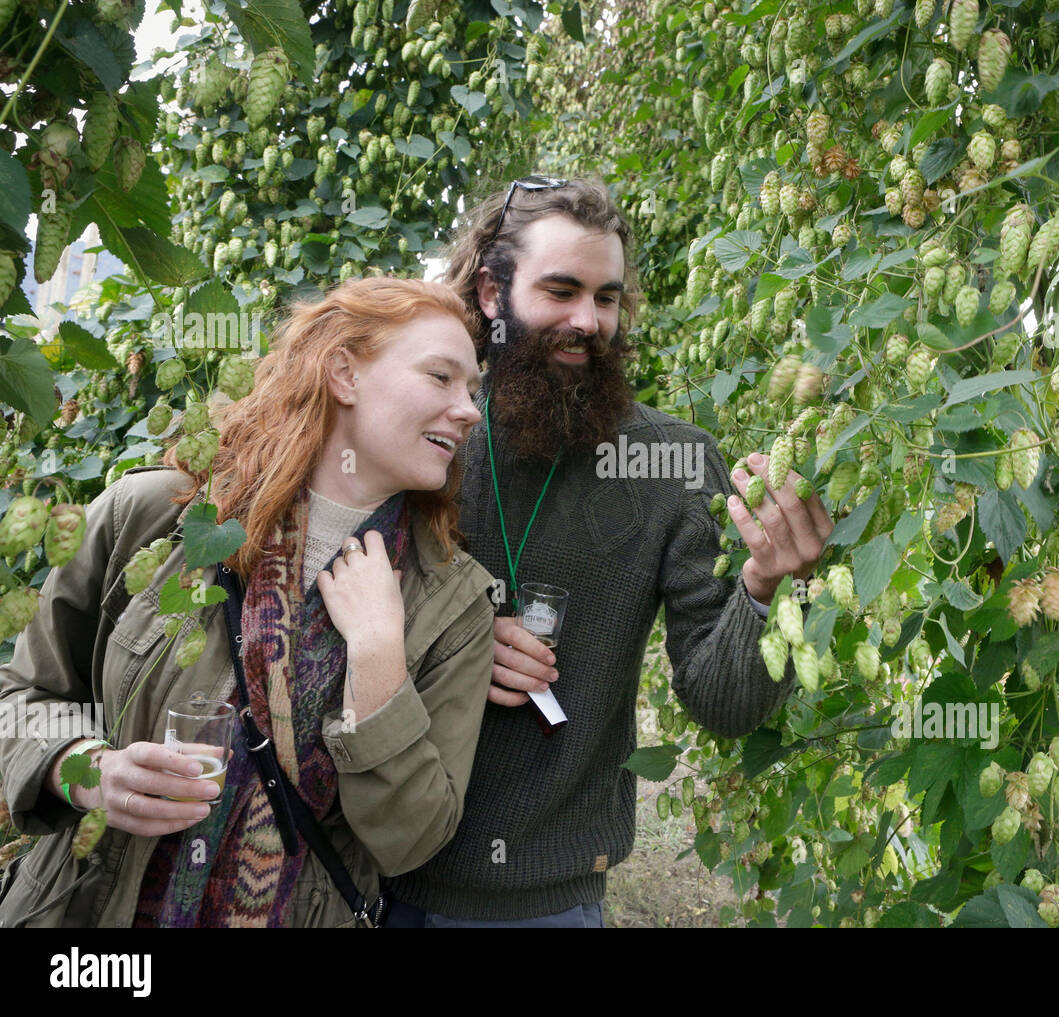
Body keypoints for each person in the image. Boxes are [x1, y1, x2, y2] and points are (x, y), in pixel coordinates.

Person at [381, 177, 834, 927]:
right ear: (493, 294)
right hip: (377, 876)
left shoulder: (676, 466)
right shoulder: (421, 434)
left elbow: (722, 703)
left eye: (608, 297)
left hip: (551, 906)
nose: (588, 321)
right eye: (560, 290)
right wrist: (449, 643)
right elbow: (308, 621)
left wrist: (764, 588)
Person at [0, 277, 496, 927]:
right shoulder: (153, 518)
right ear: (344, 373)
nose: (468, 410)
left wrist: (379, 659)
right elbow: (21, 702)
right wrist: (82, 769)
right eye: (441, 377)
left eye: (472, 391)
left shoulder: (454, 605)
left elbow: (411, 840)